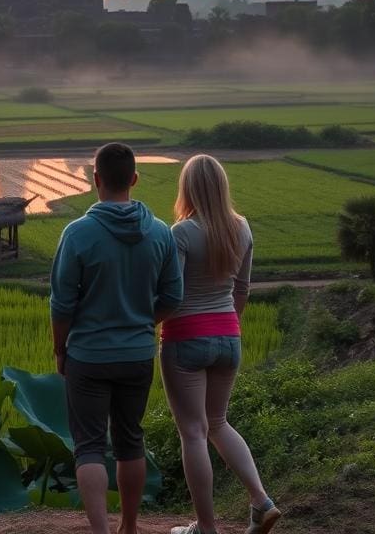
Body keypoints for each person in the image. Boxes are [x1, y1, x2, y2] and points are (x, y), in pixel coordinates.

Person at [50, 142, 183, 534]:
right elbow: (173, 297)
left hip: (88, 356)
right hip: (138, 353)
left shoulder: (77, 233)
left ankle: (101, 532)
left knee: (89, 446)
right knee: (130, 441)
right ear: (134, 180)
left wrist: (61, 349)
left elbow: (61, 304)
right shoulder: (160, 232)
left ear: (96, 180)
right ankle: (129, 525)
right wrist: (143, 322)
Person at [160, 154, 280, 534]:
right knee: (218, 422)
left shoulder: (181, 232)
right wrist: (226, 324)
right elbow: (242, 289)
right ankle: (262, 501)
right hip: (229, 334)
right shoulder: (242, 228)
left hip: (186, 339)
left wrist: (147, 319)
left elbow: (173, 295)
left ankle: (206, 528)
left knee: (193, 432)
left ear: (188, 188)